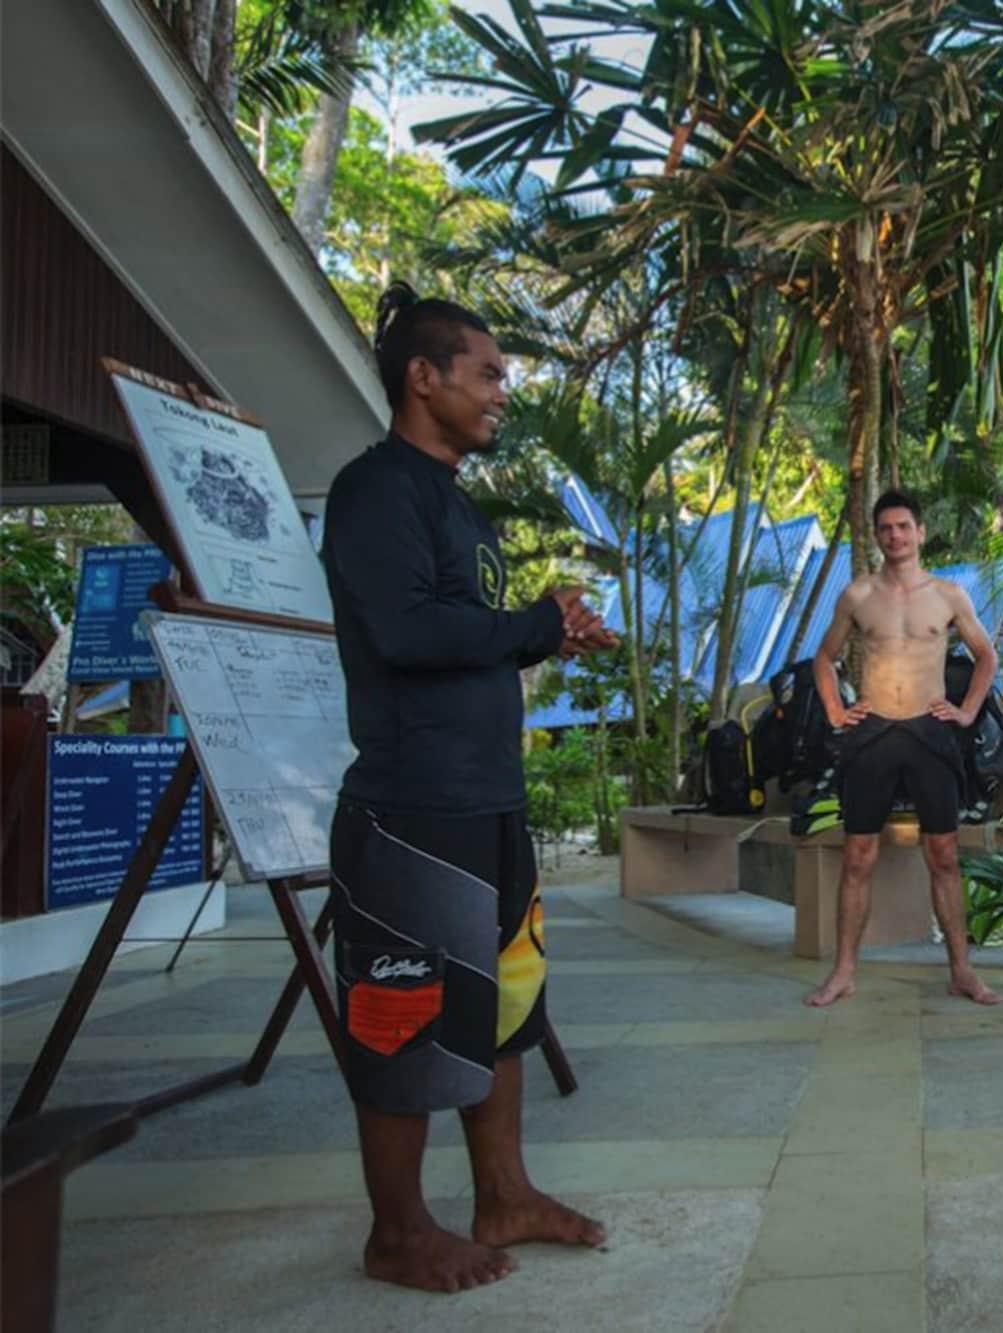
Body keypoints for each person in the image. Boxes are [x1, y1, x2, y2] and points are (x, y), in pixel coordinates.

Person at [322, 284, 613, 1292]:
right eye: (487, 374)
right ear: (424, 375)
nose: (501, 395)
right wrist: (535, 623)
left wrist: (548, 625)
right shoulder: (376, 492)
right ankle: (397, 1230)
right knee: (403, 1017)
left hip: (487, 802)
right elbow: (405, 633)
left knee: (506, 1008)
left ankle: (504, 1193)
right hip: (411, 810)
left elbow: (475, 636)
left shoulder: (456, 503)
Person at [802, 490, 1002, 1009]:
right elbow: (823, 660)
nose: (895, 536)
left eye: (903, 527)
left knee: (944, 855)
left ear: (920, 532)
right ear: (876, 535)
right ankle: (844, 971)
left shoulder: (948, 594)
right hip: (871, 733)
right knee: (858, 856)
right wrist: (834, 711)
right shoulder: (858, 595)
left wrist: (967, 711)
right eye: (885, 528)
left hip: (929, 732)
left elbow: (986, 657)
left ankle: (961, 970)